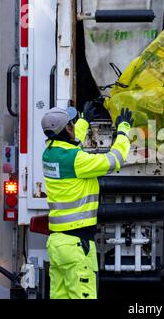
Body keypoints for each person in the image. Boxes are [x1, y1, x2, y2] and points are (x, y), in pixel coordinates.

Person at [41, 102, 133, 299]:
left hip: (58, 243)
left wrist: (84, 121)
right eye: (71, 123)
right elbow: (115, 160)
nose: (73, 126)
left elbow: (72, 145)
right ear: (66, 129)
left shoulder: (49, 153)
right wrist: (123, 131)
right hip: (76, 245)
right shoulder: (76, 161)